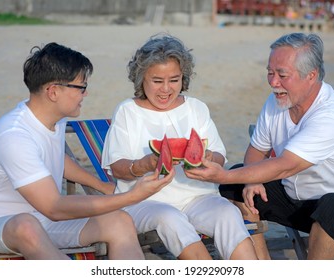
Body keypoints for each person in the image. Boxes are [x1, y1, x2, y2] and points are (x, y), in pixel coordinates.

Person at [0, 42, 174, 260]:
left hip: (42, 219)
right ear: (53, 91)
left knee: (119, 221)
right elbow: (54, 207)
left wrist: (100, 185)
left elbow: (57, 158)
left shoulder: (51, 118)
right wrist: (131, 196)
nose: (85, 95)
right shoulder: (14, 136)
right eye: (81, 87)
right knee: (26, 226)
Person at [185, 32, 334, 260]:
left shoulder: (332, 115)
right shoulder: (277, 100)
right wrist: (250, 180)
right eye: (270, 72)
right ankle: (262, 265)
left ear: (311, 75)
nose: (273, 82)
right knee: (237, 183)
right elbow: (257, 150)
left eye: (282, 75)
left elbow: (285, 166)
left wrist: (219, 176)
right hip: (297, 202)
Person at [101, 33, 257, 260]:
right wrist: (146, 164)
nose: (166, 89)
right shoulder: (127, 111)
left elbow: (219, 156)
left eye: (173, 80)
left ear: (183, 78)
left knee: (228, 213)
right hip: (144, 202)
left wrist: (206, 160)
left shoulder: (196, 108)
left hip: (198, 198)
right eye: (157, 81)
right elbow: (117, 168)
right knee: (170, 218)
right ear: (141, 78)